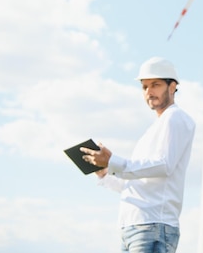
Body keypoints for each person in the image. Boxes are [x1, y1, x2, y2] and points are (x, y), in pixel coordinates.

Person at [81, 57, 196, 253]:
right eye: (144, 87)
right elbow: (135, 185)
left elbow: (164, 165)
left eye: (155, 85)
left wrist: (114, 161)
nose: (149, 92)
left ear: (172, 86)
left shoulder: (175, 118)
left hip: (153, 226)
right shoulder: (153, 130)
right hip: (133, 227)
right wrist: (104, 173)